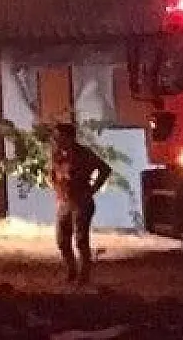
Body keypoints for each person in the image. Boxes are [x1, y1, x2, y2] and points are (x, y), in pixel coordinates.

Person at [50, 122, 112, 285]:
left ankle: (83, 276)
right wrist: (55, 185)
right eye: (55, 137)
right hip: (63, 202)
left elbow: (105, 169)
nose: (55, 140)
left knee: (80, 239)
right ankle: (71, 270)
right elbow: (53, 172)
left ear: (69, 138)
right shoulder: (57, 154)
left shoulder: (83, 154)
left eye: (59, 137)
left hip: (81, 202)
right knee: (62, 241)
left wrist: (93, 189)